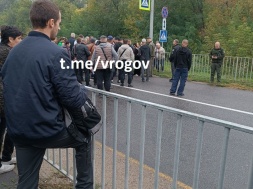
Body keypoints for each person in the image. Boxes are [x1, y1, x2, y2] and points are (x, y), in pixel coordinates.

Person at [2, 1, 93, 188]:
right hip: (46, 129)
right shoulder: (56, 52)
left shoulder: (14, 52)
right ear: (51, 22)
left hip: (19, 130)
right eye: (59, 23)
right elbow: (71, 96)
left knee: (26, 182)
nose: (59, 27)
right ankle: (84, 186)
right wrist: (82, 92)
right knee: (84, 137)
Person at [0, 25, 22, 175]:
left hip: (6, 98)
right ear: (10, 39)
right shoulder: (6, 52)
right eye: (19, 38)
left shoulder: (6, 51)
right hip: (4, 99)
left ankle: (6, 157)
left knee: (8, 128)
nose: (21, 41)